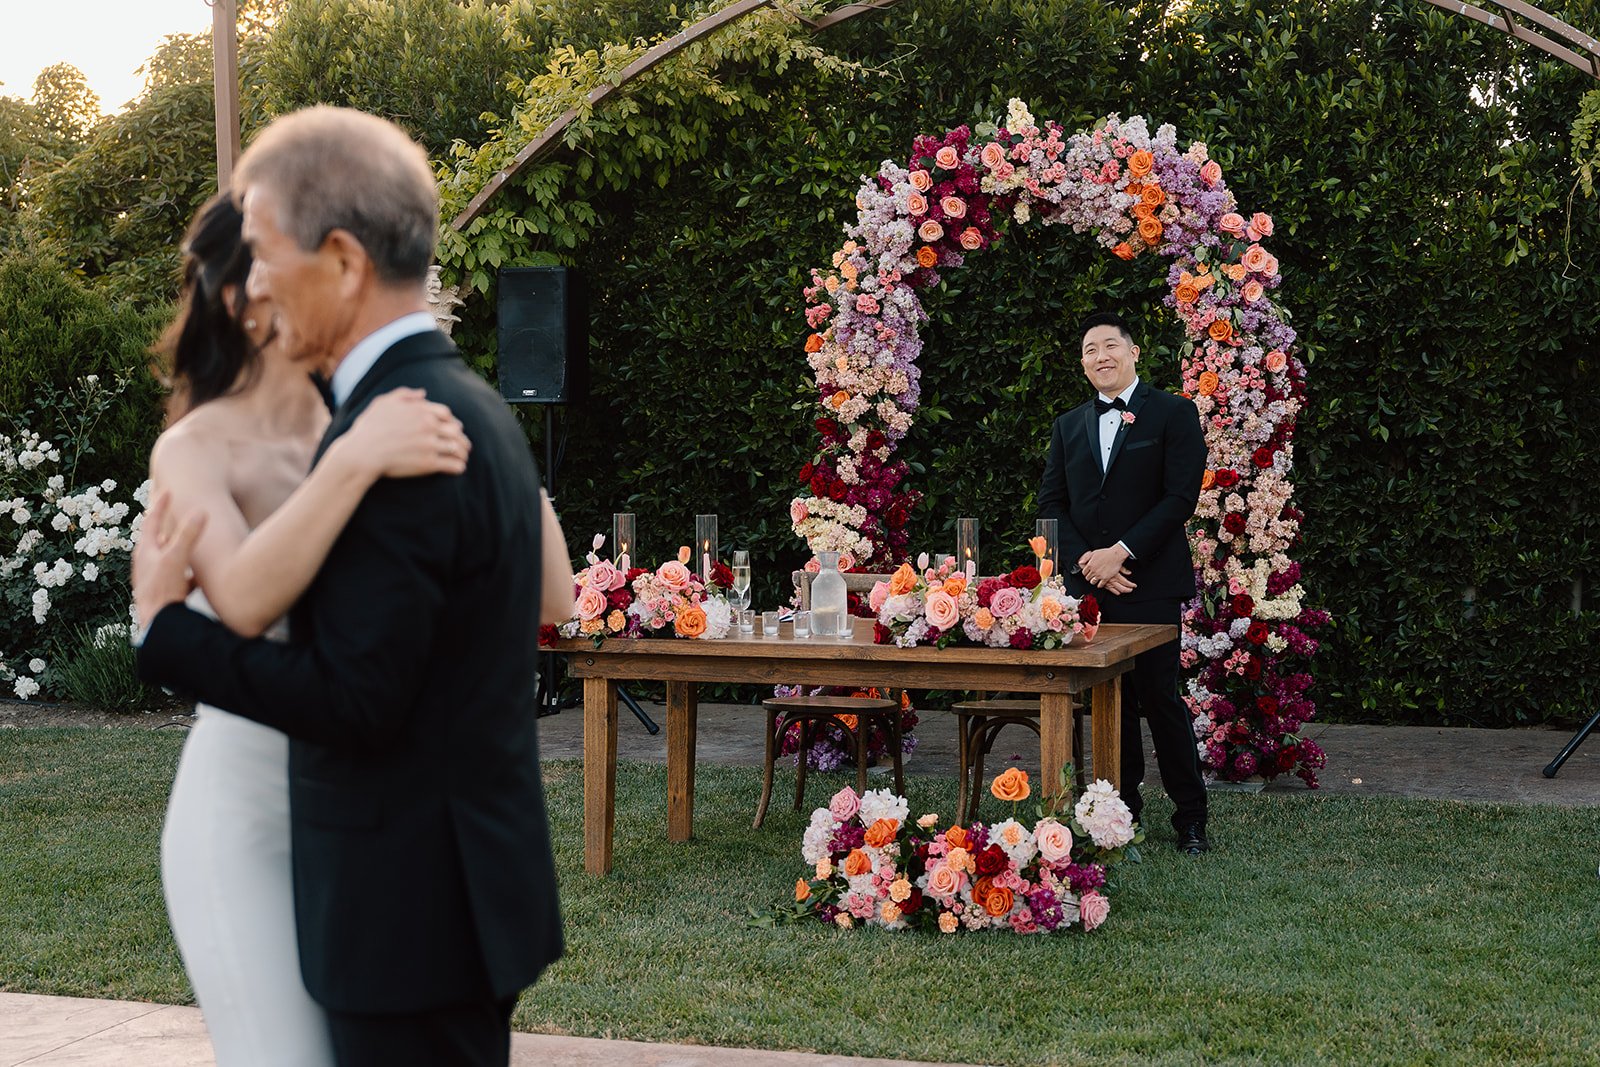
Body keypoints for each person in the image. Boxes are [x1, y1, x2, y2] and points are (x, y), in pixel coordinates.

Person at [135, 106, 576, 1066]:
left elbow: (367, 691)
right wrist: (352, 464)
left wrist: (159, 630)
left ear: (336, 264)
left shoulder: (406, 422)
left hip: (390, 858)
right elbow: (251, 602)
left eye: (264, 253)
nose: (253, 283)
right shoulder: (377, 427)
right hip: (278, 810)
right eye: (242, 262)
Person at [152, 193, 475, 1066]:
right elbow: (247, 603)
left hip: (372, 812)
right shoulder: (195, 449)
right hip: (245, 816)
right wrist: (360, 460)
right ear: (237, 297)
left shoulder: (374, 411)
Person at [1036, 310, 1210, 854]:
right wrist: (1091, 561)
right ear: (1083, 362)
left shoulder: (1174, 413)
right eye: (1090, 349)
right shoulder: (1068, 425)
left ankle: (1191, 818)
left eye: (1110, 345)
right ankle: (1121, 811)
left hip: (1149, 583)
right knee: (1109, 701)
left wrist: (1121, 553)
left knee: (1159, 697)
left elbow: (1180, 497)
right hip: (1091, 587)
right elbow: (1052, 505)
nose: (1100, 356)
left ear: (1134, 352)